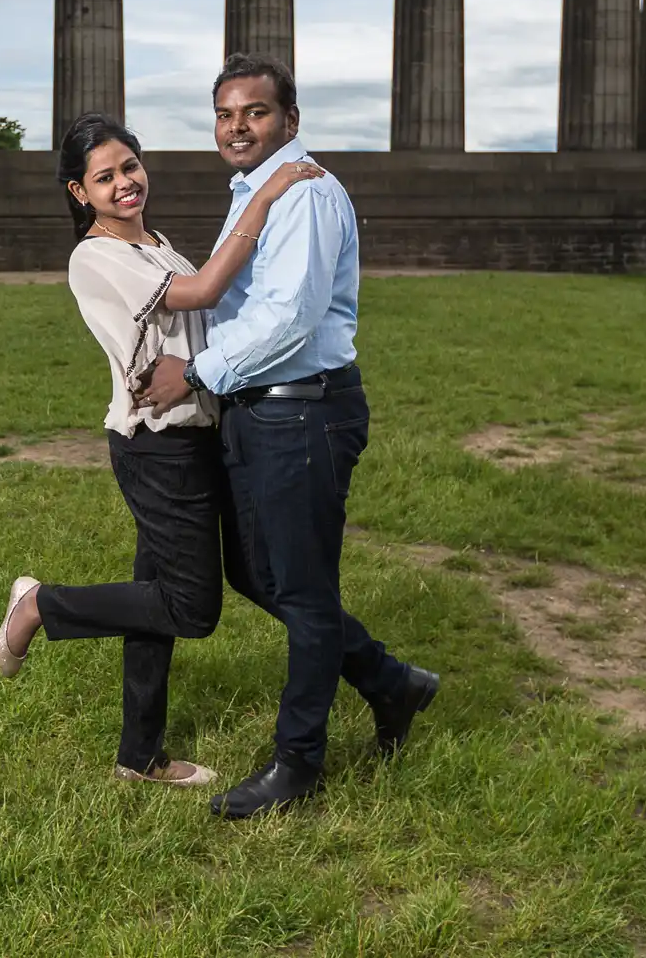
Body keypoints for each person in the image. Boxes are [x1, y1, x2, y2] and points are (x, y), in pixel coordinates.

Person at [136, 52, 440, 821]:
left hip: (301, 410)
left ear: (290, 120)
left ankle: (299, 760)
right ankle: (389, 680)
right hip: (261, 409)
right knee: (254, 574)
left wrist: (196, 371)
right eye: (226, 113)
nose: (238, 126)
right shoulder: (256, 192)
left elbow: (290, 320)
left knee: (302, 590)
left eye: (256, 112)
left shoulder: (303, 195)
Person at [0, 113, 324, 789]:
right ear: (79, 192)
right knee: (190, 607)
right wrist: (265, 196)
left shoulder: (157, 243)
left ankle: (139, 754)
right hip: (157, 445)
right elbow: (202, 292)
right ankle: (39, 605)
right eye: (105, 176)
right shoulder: (96, 254)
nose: (124, 183)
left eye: (130, 166)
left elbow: (206, 314)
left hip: (196, 435)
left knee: (153, 597)